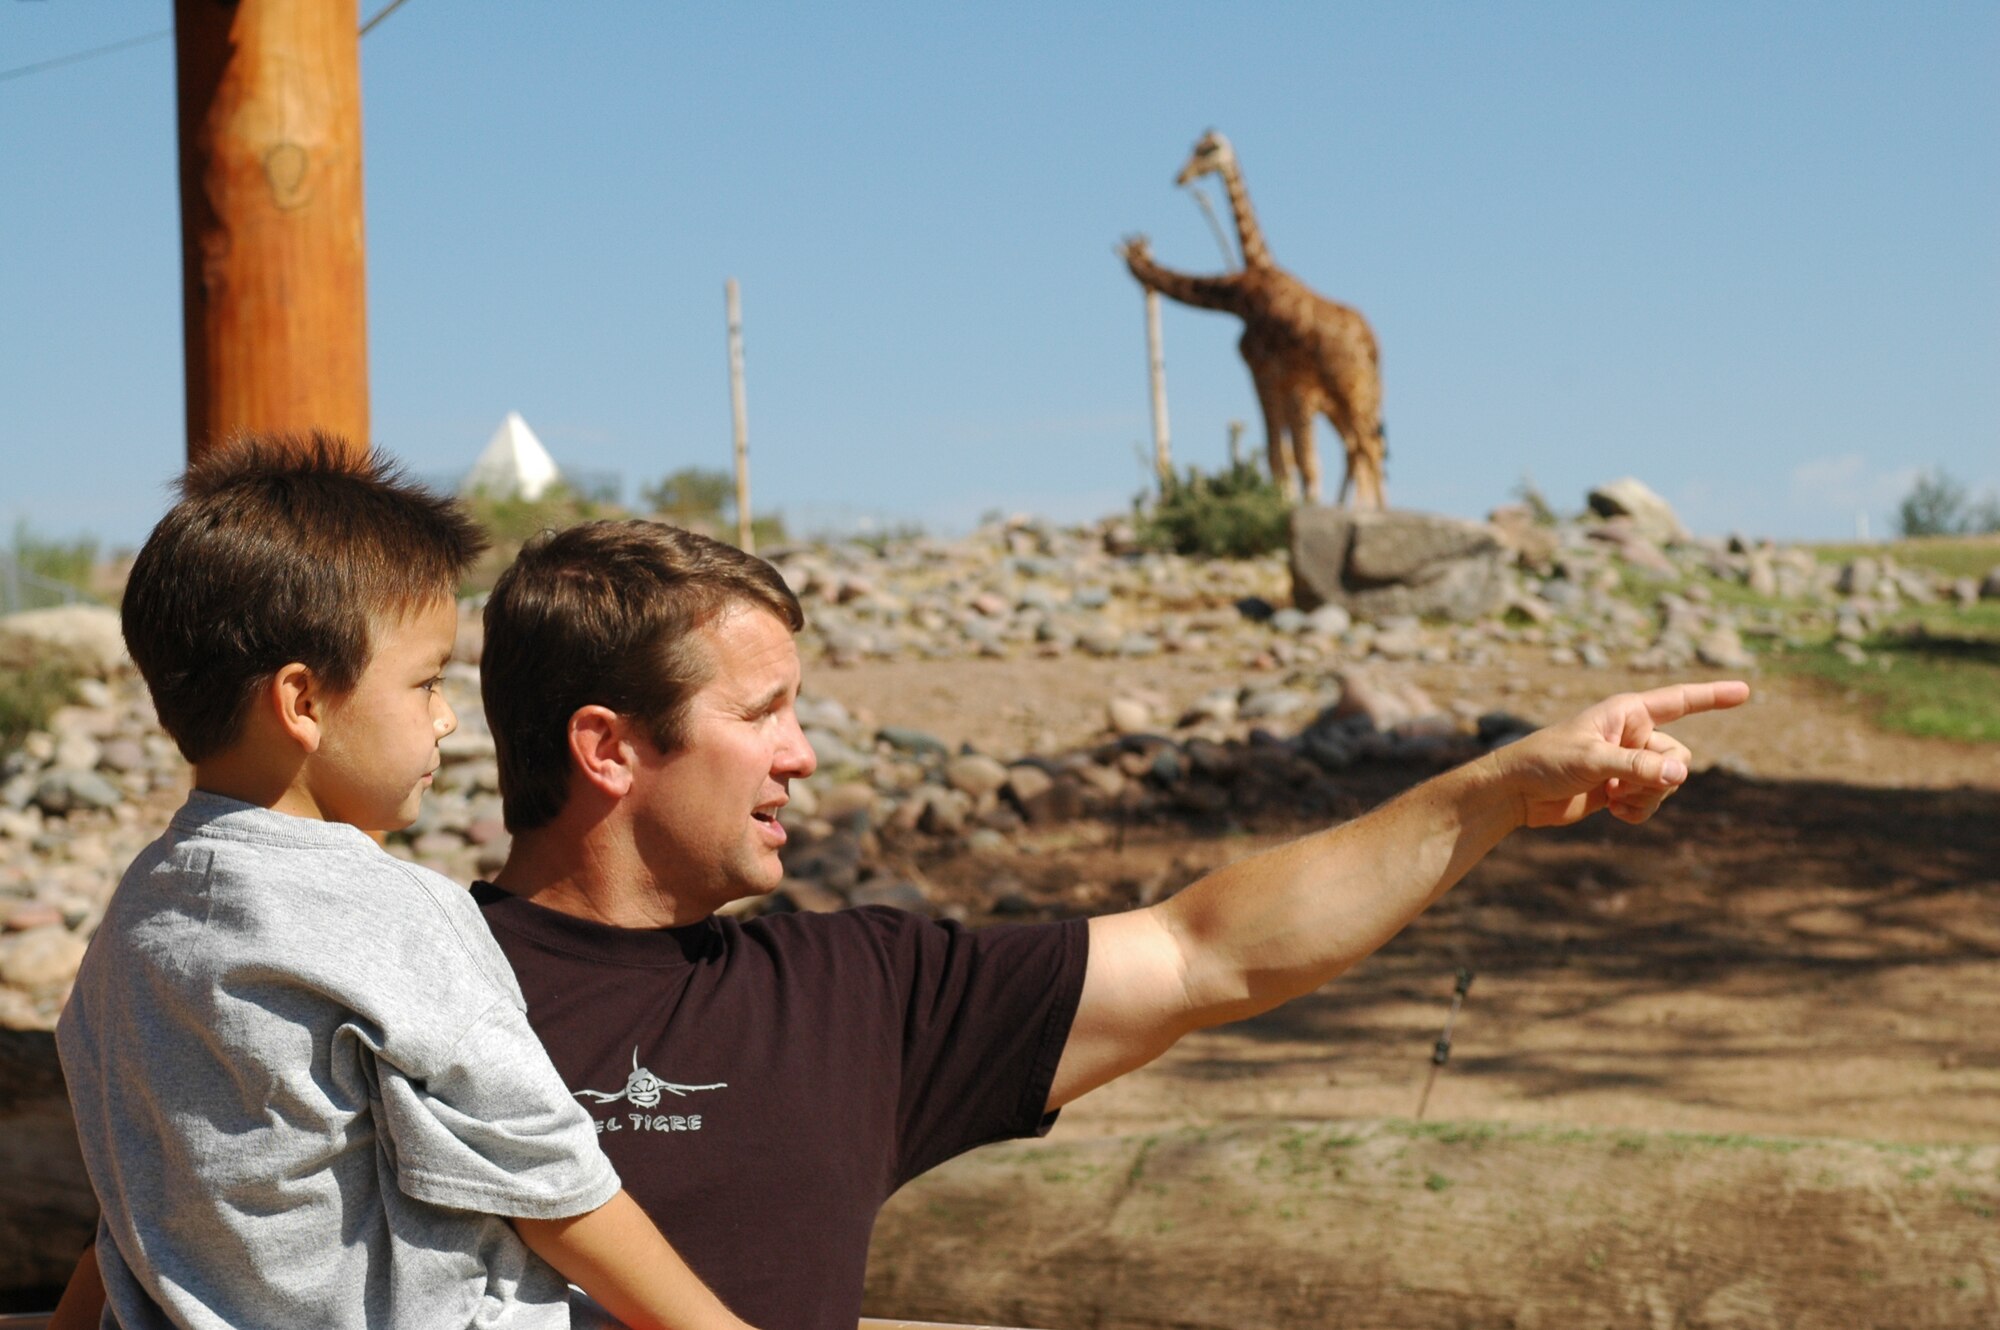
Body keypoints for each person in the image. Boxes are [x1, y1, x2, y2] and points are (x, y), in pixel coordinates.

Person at [471, 519, 1749, 1330]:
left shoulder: (857, 990)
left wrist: (1489, 794)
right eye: (762, 713)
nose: (802, 755)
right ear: (613, 746)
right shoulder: (398, 990)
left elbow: (1209, 950)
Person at [53, 440, 754, 1330]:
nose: (447, 716)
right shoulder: (390, 909)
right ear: (303, 702)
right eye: (425, 682)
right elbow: (554, 1188)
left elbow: (134, 1217)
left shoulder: (135, 924)